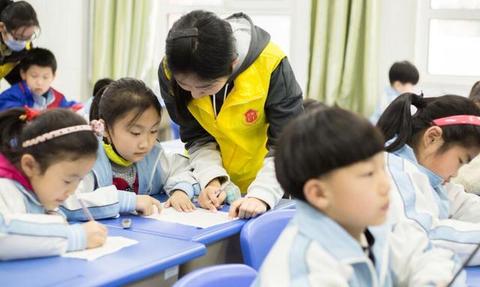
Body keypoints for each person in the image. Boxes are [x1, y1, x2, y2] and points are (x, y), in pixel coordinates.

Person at [254, 106, 464, 286]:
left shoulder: (370, 226)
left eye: (383, 169)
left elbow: (430, 257)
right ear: (319, 193)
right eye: (368, 174)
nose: (385, 185)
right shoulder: (307, 272)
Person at [158, 10, 303, 218]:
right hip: (218, 195)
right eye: (183, 85)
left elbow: (287, 145)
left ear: (232, 64)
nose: (195, 94)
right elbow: (196, 137)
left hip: (271, 184)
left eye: (206, 86)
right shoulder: (170, 68)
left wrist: (261, 195)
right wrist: (212, 179)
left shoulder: (271, 64)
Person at [377, 93, 480, 265]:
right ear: (432, 137)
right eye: (461, 161)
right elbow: (423, 236)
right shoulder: (395, 171)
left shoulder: (430, 179)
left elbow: (463, 205)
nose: (456, 174)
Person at [0, 108, 107, 260]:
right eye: (68, 181)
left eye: (79, 180)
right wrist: (75, 236)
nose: (72, 190)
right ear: (30, 165)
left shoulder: (41, 186)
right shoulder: (4, 187)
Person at [85, 77, 200, 212]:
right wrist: (131, 201)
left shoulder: (153, 155)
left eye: (153, 131)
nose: (146, 144)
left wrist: (180, 191)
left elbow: (181, 169)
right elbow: (70, 201)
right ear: (105, 129)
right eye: (135, 133)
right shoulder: (87, 160)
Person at [0, 47, 80, 111]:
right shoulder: (11, 96)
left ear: (53, 76)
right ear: (23, 74)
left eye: (45, 77)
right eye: (34, 76)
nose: (39, 82)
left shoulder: (58, 98)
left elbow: (71, 108)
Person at [0, 0, 39, 84]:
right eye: (18, 38)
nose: (22, 43)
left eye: (28, 37)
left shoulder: (24, 50)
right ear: (2, 27)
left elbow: (20, 80)